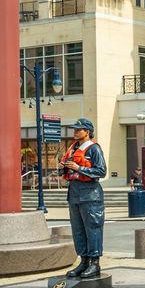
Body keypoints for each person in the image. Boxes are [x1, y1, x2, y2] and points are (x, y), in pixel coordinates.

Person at [60, 118, 107, 279]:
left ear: (87, 131)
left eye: (79, 129)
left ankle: (95, 263)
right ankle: (84, 261)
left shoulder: (94, 149)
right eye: (75, 129)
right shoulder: (73, 149)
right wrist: (65, 168)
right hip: (74, 193)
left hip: (90, 194)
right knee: (78, 230)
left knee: (92, 228)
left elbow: (101, 171)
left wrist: (79, 168)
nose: (75, 131)